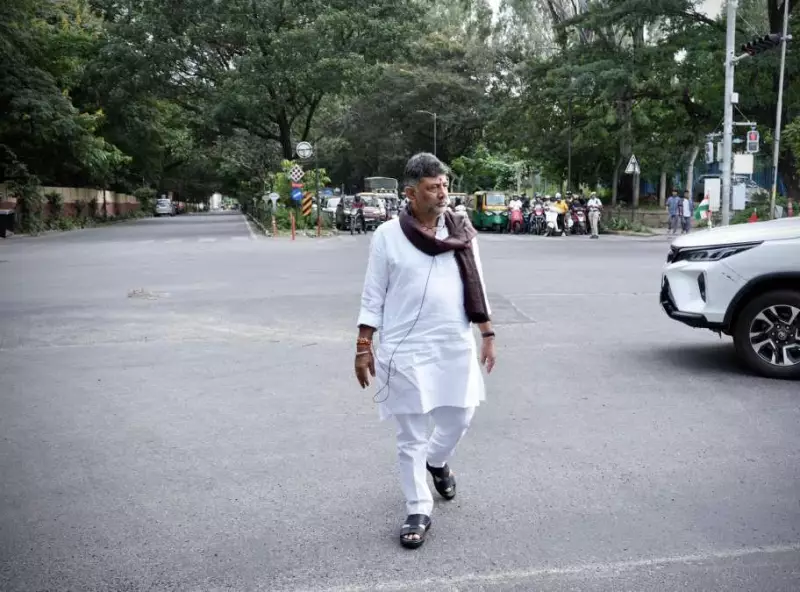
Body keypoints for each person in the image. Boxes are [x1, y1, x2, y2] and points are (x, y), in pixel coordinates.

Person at [355, 153, 496, 550]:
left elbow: (477, 282)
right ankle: (418, 508)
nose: (442, 193)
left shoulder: (461, 230)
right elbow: (373, 294)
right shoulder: (387, 236)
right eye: (433, 188)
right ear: (411, 193)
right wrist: (363, 346)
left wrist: (487, 332)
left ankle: (437, 461)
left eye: (444, 185)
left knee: (461, 417)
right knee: (410, 435)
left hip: (453, 341)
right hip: (405, 346)